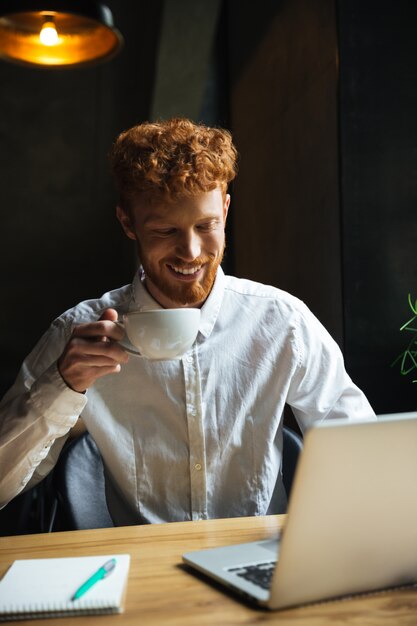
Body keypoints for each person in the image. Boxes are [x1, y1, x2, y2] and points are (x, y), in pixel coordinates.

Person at [0, 117, 374, 525]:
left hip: (259, 563)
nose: (191, 252)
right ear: (128, 223)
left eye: (206, 225)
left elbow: (365, 455)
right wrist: (63, 385)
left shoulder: (283, 323)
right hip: (140, 572)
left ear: (226, 211)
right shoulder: (78, 335)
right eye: (164, 230)